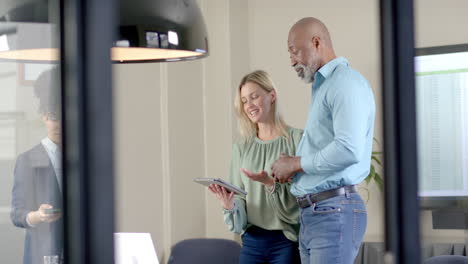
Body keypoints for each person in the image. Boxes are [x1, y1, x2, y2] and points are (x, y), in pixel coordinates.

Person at [270, 17, 376, 264]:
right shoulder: (325, 87)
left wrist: (297, 164)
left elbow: (348, 150)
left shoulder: (345, 83)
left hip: (333, 212)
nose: (292, 61)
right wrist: (290, 169)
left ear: (316, 42)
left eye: (294, 51)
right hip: (316, 214)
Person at [208, 70, 302, 264]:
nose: (249, 105)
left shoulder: (297, 139)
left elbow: (303, 195)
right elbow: (240, 195)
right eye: (244, 100)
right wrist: (230, 205)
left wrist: (271, 184)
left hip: (286, 240)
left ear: (272, 95)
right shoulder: (241, 148)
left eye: (254, 97)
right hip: (252, 241)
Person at [10, 68, 63, 264]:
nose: (57, 124)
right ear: (43, 117)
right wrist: (38, 216)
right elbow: (17, 215)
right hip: (44, 253)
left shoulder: (83, 159)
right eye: (52, 116)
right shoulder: (28, 160)